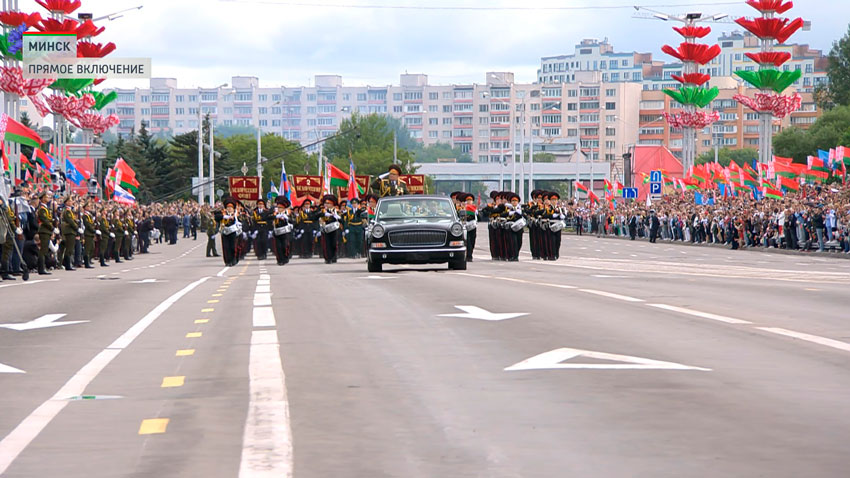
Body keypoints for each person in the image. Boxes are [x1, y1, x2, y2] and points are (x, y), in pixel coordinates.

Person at [319, 194, 341, 264]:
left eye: (328, 203)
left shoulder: (336, 211)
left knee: (334, 243)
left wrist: (336, 216)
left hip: (335, 229)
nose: (326, 205)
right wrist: (322, 215)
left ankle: (334, 256)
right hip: (326, 229)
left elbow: (342, 220)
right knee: (326, 244)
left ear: (332, 204)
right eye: (325, 203)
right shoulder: (322, 211)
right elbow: (314, 217)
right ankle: (328, 258)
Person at [219, 196, 241, 266]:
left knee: (233, 247)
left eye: (231, 208)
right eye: (228, 207)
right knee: (226, 247)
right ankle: (227, 261)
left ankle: (233, 259)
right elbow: (217, 217)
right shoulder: (223, 214)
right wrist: (226, 217)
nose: (229, 209)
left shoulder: (236, 215)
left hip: (233, 232)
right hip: (225, 232)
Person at [59, 196, 79, 271]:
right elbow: (70, 221)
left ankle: (67, 263)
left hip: (71, 231)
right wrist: (76, 227)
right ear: (66, 202)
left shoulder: (70, 210)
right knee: (69, 249)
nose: (71, 202)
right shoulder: (67, 211)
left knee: (70, 248)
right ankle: (67, 265)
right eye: (70, 201)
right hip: (69, 231)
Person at [272, 196, 293, 265]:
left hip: (285, 232)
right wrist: (275, 217)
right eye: (278, 207)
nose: (279, 209)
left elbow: (294, 221)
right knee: (278, 247)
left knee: (285, 246)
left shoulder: (288, 213)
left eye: (280, 208)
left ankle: (285, 258)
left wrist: (288, 219)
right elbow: (268, 218)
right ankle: (279, 260)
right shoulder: (275, 214)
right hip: (277, 232)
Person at [459, 193, 478, 262]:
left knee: (473, 241)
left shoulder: (474, 208)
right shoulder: (463, 208)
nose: (469, 201)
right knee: (468, 242)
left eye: (471, 200)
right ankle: (469, 256)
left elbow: (479, 217)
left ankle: (470, 254)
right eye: (468, 200)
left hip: (473, 226)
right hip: (465, 226)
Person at [82, 201, 97, 269]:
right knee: (87, 249)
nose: (89, 207)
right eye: (88, 206)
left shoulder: (89, 215)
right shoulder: (85, 216)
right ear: (85, 207)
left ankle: (89, 260)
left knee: (92, 248)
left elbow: (92, 224)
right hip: (87, 233)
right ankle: (86, 263)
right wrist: (93, 230)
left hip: (91, 233)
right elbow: (87, 225)